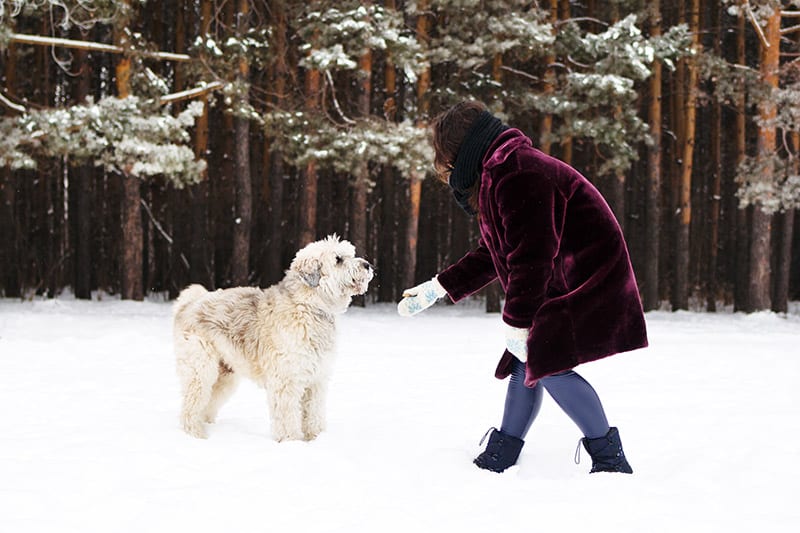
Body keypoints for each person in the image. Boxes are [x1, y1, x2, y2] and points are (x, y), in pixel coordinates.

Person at [397, 100, 648, 474]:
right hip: (560, 275)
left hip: (587, 276)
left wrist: (518, 320)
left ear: (461, 148)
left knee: (548, 363)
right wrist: (437, 287)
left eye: (445, 154)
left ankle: (609, 457)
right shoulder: (499, 173)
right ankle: (505, 450)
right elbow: (494, 253)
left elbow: (532, 257)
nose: (444, 165)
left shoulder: (520, 173)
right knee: (527, 361)